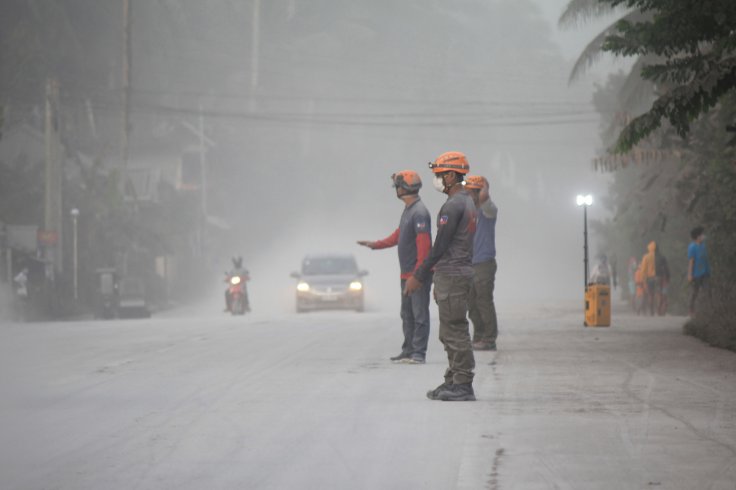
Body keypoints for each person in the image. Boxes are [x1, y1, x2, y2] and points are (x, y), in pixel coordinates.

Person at [404, 151, 477, 402]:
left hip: (453, 275)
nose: (436, 180)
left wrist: (420, 275)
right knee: (448, 331)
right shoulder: (466, 201)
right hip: (455, 274)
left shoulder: (454, 204)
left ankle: (463, 384)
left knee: (454, 330)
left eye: (438, 175)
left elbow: (440, 245)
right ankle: (453, 379)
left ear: (450, 175)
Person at [357, 170, 432, 364]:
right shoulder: (409, 210)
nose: (396, 190)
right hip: (406, 274)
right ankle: (408, 350)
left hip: (416, 275)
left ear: (403, 188)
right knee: (407, 314)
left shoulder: (420, 212)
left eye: (398, 186)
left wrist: (418, 275)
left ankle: (418, 353)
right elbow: (400, 235)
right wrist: (376, 244)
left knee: (419, 314)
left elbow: (424, 247)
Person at [464, 175, 499, 351]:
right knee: (471, 303)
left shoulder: (488, 211)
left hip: (484, 263)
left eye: (471, 192)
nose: (468, 195)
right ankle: (479, 335)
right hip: (469, 263)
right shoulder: (468, 213)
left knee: (484, 301)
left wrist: (485, 185)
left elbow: (485, 198)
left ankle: (489, 338)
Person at [687, 226, 710, 315]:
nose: (703, 236)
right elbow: (691, 261)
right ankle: (691, 309)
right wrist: (689, 274)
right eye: (702, 234)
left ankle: (706, 310)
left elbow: (705, 259)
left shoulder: (703, 246)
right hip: (696, 274)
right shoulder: (692, 247)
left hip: (705, 273)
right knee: (695, 292)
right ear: (697, 236)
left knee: (707, 291)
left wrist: (708, 270)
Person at [640, 241, 657, 315]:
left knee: (648, 294)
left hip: (648, 278)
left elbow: (643, 269)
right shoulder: (657, 256)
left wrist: (643, 279)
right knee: (654, 294)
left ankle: (650, 310)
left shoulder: (646, 256)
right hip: (656, 278)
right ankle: (654, 309)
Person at [655, 246, 670, 315]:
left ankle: (659, 309)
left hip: (656, 279)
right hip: (664, 278)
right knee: (664, 295)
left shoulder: (652, 258)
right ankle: (663, 311)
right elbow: (667, 268)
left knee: (659, 294)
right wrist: (668, 278)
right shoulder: (663, 257)